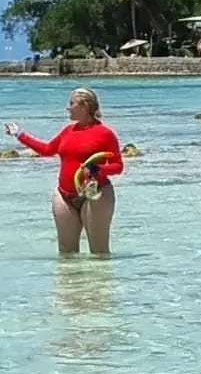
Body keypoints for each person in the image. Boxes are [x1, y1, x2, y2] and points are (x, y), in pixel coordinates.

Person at [4, 87, 124, 256]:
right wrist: (19, 134)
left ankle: (99, 283)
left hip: (95, 194)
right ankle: (71, 283)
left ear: (84, 106)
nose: (68, 108)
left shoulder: (104, 133)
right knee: (66, 254)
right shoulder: (68, 130)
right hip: (64, 195)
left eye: (71, 103)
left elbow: (118, 166)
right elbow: (47, 149)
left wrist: (97, 169)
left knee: (99, 253)